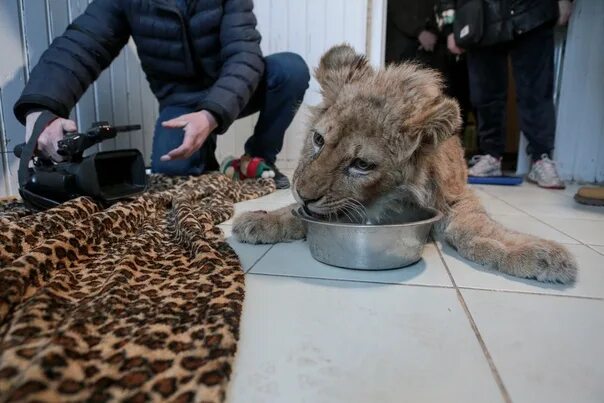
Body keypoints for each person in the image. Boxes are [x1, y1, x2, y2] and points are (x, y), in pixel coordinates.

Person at [13, 0, 310, 189]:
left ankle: (256, 160)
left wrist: (210, 114)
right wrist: (41, 109)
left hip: (228, 88)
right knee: (171, 175)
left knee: (290, 70)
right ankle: (210, 162)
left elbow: (244, 57)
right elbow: (80, 45)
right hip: (179, 103)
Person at [437, 0, 573, 189]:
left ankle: (541, 158)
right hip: (480, 16)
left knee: (537, 90)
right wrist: (450, 26)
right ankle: (491, 156)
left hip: (533, 11)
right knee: (485, 93)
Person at [385, 0, 471, 132]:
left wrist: (441, 33)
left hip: (440, 50)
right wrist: (418, 31)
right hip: (403, 51)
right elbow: (395, 7)